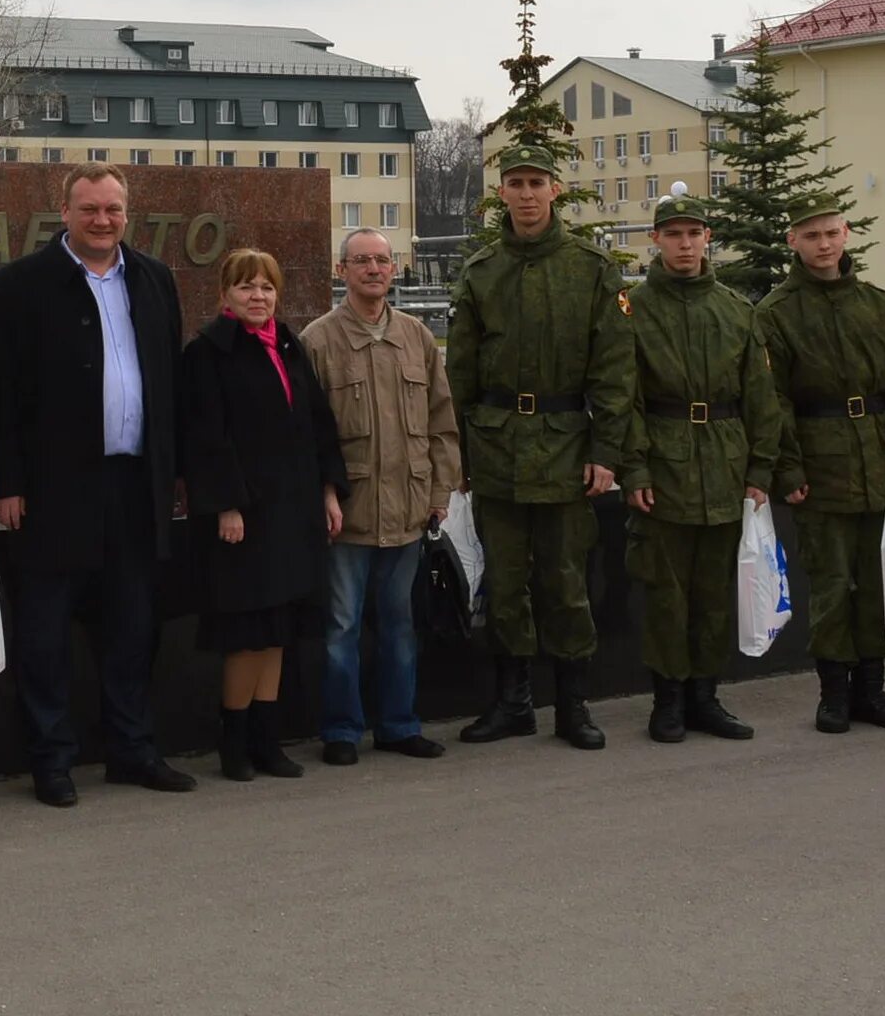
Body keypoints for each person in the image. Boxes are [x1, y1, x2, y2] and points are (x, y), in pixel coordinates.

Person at [0, 162, 195, 806]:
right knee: (45, 632)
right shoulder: (20, 284)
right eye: (89, 209)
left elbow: (169, 383)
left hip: (135, 485)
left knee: (133, 626)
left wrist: (174, 474)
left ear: (128, 213)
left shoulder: (155, 279)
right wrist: (7, 482)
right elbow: (1, 390)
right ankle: (52, 759)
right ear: (65, 213)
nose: (102, 220)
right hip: (53, 490)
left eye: (113, 210)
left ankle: (132, 749)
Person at [446, 141, 635, 750]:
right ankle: (513, 702)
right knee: (504, 583)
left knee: (564, 581)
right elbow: (461, 379)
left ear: (555, 189)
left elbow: (613, 372)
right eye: (516, 182)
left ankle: (573, 707)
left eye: (537, 182)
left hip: (564, 450)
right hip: (498, 450)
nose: (526, 193)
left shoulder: (590, 269)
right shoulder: (481, 272)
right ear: (501, 193)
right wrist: (462, 459)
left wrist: (607, 453)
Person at [619, 191, 792, 743]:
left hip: (724, 461)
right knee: (666, 591)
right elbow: (624, 398)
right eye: (674, 234)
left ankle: (706, 697)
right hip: (664, 465)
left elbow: (761, 398)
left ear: (707, 239)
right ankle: (667, 701)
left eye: (694, 234)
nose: (685, 244)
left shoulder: (735, 310)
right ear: (657, 240)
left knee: (715, 592)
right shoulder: (633, 310)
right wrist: (636, 470)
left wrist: (760, 470)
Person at [756, 192, 885, 735]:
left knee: (879, 579)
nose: (824, 244)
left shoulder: (878, 304)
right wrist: (790, 470)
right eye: (811, 236)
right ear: (794, 242)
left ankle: (873, 691)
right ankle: (833, 692)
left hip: (880, 459)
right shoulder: (777, 313)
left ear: (845, 234)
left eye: (831, 233)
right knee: (831, 583)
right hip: (820, 460)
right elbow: (773, 400)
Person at [181, 248, 346, 780]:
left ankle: (267, 740)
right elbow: (206, 436)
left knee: (278, 629)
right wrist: (226, 503)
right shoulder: (208, 352)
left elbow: (318, 424)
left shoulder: (289, 346)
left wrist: (328, 490)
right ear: (224, 294)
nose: (259, 297)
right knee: (247, 631)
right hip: (243, 518)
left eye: (267, 288)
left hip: (292, 512)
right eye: (247, 287)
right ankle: (234, 743)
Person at [298, 226, 459, 765]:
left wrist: (441, 490)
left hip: (409, 509)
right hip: (349, 512)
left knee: (400, 627)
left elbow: (442, 421)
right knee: (340, 628)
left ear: (394, 269)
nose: (373, 270)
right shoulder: (318, 341)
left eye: (382, 261)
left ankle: (398, 725)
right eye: (360, 261)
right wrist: (322, 494)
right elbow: (308, 435)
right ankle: (342, 731)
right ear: (341, 271)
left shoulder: (416, 337)